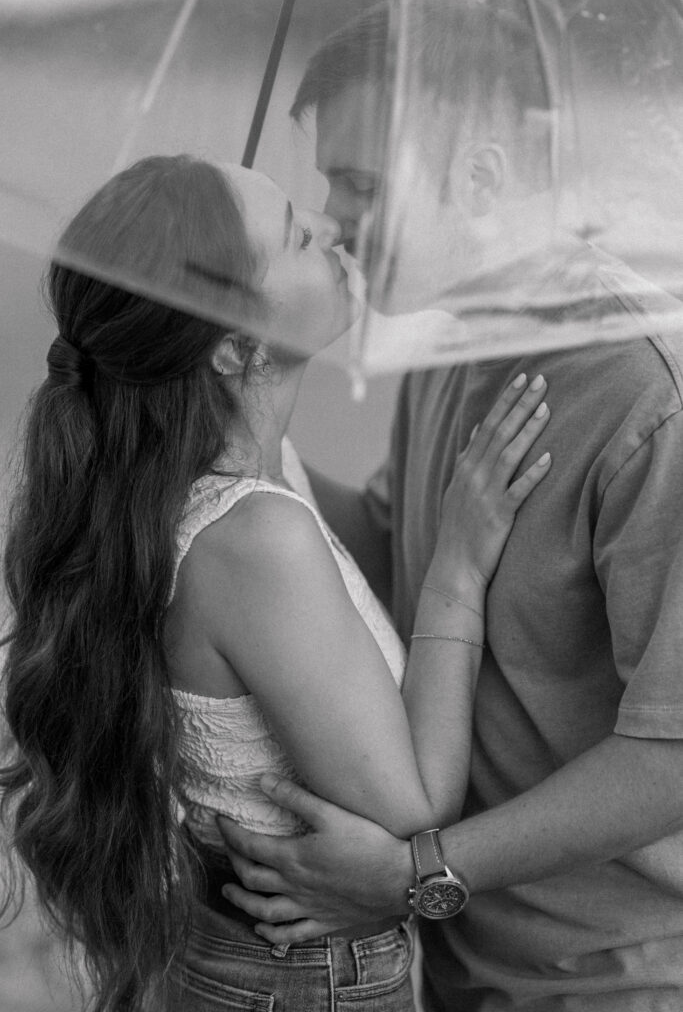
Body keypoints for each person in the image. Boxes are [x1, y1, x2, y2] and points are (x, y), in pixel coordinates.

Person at [213, 0, 683, 1011]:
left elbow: (671, 754)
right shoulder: (451, 337)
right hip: (455, 960)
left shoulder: (648, 401)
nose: (333, 222)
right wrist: (236, 442)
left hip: (607, 982)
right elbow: (395, 554)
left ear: (479, 175)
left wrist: (415, 868)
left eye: (359, 186)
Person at [0, 152, 552, 1012]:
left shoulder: (213, 480)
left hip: (251, 953)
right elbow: (414, 808)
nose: (331, 229)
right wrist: (458, 566)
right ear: (232, 346)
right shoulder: (254, 538)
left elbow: (340, 550)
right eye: (297, 234)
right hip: (306, 981)